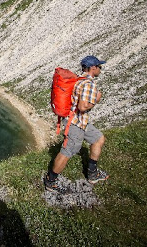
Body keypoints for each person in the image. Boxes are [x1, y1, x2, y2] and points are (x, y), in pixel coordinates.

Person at [44, 56, 109, 192]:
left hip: (81, 121)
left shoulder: (79, 80)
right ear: (93, 68)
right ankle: (51, 181)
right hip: (75, 123)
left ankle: (92, 173)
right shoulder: (89, 84)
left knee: (98, 138)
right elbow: (83, 106)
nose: (100, 69)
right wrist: (96, 99)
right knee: (67, 151)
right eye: (99, 67)